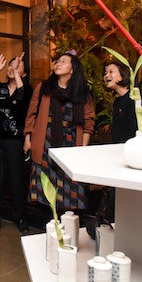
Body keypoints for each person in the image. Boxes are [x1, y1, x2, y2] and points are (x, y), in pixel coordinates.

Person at [24, 53, 95, 211]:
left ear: (73, 69)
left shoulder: (82, 92)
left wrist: (83, 148)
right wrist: (28, 139)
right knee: (45, 189)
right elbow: (31, 115)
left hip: (71, 145)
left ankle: (65, 225)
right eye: (57, 62)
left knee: (70, 188)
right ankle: (50, 225)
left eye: (63, 62)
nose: (58, 64)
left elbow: (89, 121)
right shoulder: (43, 88)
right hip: (45, 143)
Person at [0, 53, 32, 235]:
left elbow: (19, 97)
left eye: (17, 65)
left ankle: (19, 216)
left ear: (24, 73)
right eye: (10, 65)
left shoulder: (27, 90)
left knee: (15, 178)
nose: (12, 67)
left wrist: (17, 72)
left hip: (14, 139)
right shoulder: (1, 87)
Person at [104, 62, 136, 144]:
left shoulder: (134, 98)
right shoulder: (117, 101)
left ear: (123, 75)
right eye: (105, 73)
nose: (106, 75)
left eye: (111, 72)